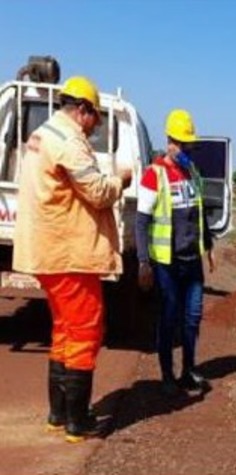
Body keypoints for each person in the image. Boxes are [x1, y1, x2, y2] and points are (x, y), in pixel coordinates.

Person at [13, 76, 132, 443]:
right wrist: (121, 180)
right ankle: (76, 421)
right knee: (85, 331)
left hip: (49, 252)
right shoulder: (69, 143)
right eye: (95, 116)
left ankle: (58, 412)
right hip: (70, 253)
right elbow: (97, 192)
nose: (96, 124)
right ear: (82, 110)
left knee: (64, 331)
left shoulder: (43, 135)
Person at [136, 109, 215, 396]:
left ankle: (188, 370)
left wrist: (208, 247)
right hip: (166, 263)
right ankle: (167, 375)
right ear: (169, 141)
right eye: (180, 144)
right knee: (169, 318)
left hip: (192, 261)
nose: (185, 149)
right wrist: (144, 262)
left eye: (188, 145)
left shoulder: (192, 172)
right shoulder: (153, 175)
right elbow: (141, 221)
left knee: (192, 318)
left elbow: (200, 212)